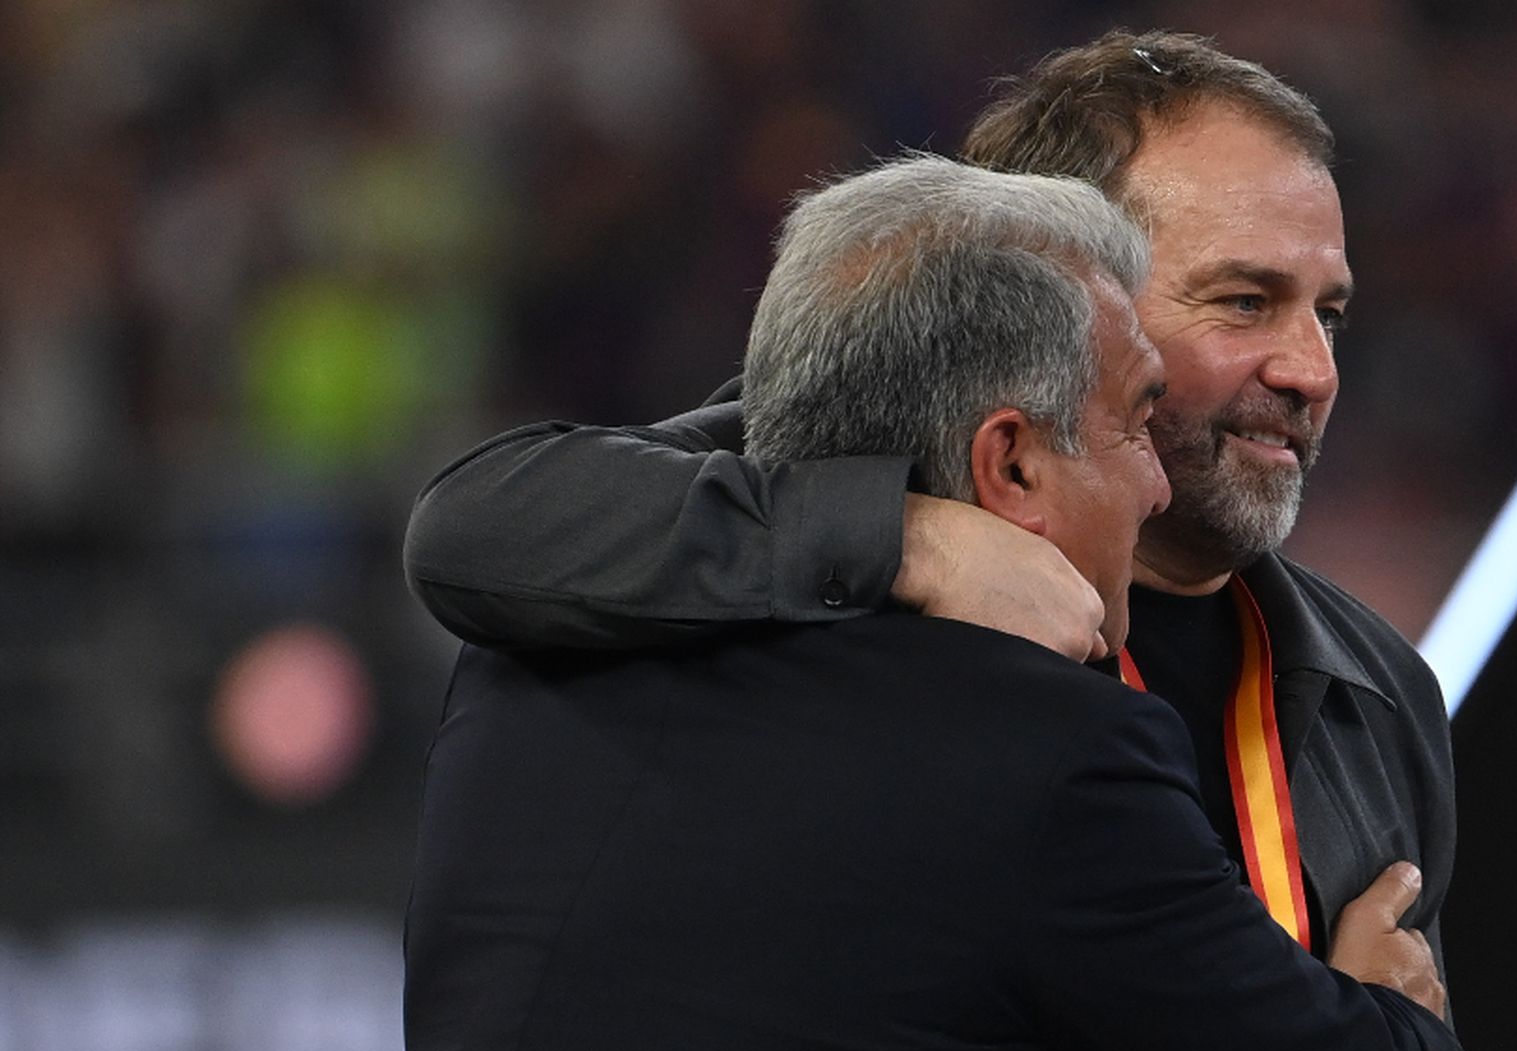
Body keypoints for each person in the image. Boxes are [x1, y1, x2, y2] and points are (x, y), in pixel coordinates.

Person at [404, 30, 1454, 989]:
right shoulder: (844, 468)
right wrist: (907, 537)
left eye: (1329, 314)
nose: (1313, 371)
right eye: (1244, 301)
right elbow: (480, 519)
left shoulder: (1377, 693)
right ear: (1063, 278)